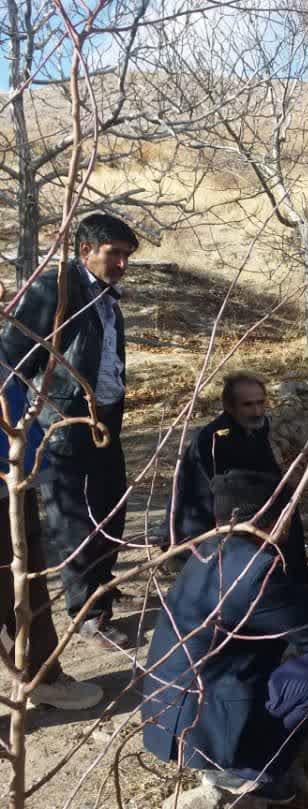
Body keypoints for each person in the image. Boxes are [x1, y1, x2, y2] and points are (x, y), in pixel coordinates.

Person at [142, 470, 308, 803]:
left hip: (171, 713)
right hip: (203, 722)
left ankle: (232, 754)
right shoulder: (255, 572)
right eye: (286, 514)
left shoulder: (212, 549)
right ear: (266, 520)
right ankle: (249, 772)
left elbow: (287, 600)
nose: (290, 523)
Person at [0, 213, 138, 649]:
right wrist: (22, 422)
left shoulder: (104, 296)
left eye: (126, 256)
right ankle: (89, 615)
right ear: (84, 250)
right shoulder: (56, 289)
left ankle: (100, 585)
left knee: (111, 506)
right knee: (75, 518)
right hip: (63, 422)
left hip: (104, 420)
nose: (121, 264)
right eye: (113, 253)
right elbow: (12, 357)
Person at [0, 381, 103, 710]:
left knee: (27, 581)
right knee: (13, 585)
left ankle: (41, 677)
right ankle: (40, 678)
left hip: (13, 468)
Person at [159, 372, 308, 583]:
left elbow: (264, 474)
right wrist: (286, 485)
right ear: (229, 407)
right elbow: (238, 495)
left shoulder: (256, 427)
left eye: (260, 403)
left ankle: (294, 586)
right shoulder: (217, 440)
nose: (257, 411)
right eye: (248, 405)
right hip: (203, 535)